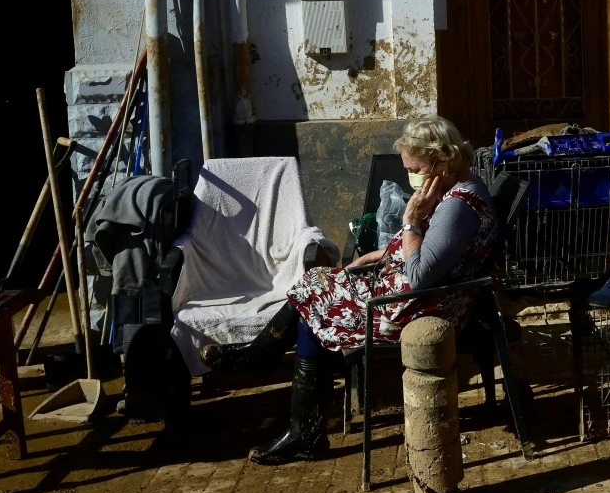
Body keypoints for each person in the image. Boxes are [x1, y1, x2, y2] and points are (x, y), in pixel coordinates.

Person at [199, 116, 497, 465]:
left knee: (316, 293)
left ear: (441, 161)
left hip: (424, 307)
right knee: (321, 286)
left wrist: (412, 220)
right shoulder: (455, 189)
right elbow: (429, 252)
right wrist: (379, 254)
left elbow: (419, 276)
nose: (410, 177)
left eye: (415, 169)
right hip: (421, 294)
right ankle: (284, 400)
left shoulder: (457, 206)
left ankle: (274, 385)